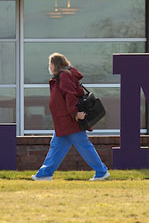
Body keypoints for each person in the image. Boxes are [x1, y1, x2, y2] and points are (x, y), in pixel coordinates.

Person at [31, 53, 110, 181]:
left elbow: (70, 95)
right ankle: (45, 173)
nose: (49, 66)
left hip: (70, 120)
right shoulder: (62, 76)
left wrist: (74, 113)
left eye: (50, 63)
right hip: (64, 121)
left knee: (83, 146)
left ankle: (101, 171)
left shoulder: (64, 76)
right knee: (56, 147)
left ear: (55, 64)